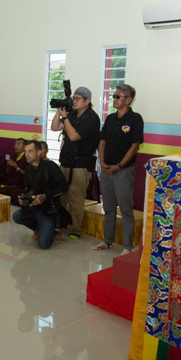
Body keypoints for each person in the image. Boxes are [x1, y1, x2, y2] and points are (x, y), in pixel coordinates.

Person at [94, 83, 143, 255]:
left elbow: (134, 146)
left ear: (128, 100)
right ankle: (107, 240)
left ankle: (127, 246)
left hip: (123, 171)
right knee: (108, 207)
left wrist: (119, 166)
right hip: (106, 169)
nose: (114, 99)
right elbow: (102, 142)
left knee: (125, 208)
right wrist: (102, 163)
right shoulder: (110, 119)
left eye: (118, 97)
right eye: (114, 96)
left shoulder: (135, 119)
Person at [50, 85, 101, 238]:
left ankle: (75, 230)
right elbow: (54, 127)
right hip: (66, 161)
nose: (74, 102)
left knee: (76, 198)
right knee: (62, 195)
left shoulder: (92, 119)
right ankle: (63, 225)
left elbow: (73, 136)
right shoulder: (71, 115)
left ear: (87, 101)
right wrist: (59, 111)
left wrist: (65, 118)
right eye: (74, 99)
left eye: (78, 99)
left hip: (81, 165)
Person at [12, 140, 68, 250]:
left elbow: (64, 187)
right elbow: (28, 189)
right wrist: (23, 198)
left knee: (43, 245)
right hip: (35, 207)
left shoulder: (50, 166)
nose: (26, 155)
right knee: (17, 216)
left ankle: (55, 228)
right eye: (26, 151)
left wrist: (45, 196)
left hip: (49, 210)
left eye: (30, 151)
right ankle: (38, 228)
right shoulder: (28, 169)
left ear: (39, 152)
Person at [0, 138, 28, 203]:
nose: (16, 146)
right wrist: (8, 166)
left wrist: (17, 167)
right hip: (11, 183)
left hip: (20, 185)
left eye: (18, 144)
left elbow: (27, 174)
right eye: (15, 144)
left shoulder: (26, 158)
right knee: (0, 188)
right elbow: (7, 172)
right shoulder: (14, 157)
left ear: (24, 147)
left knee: (9, 191)